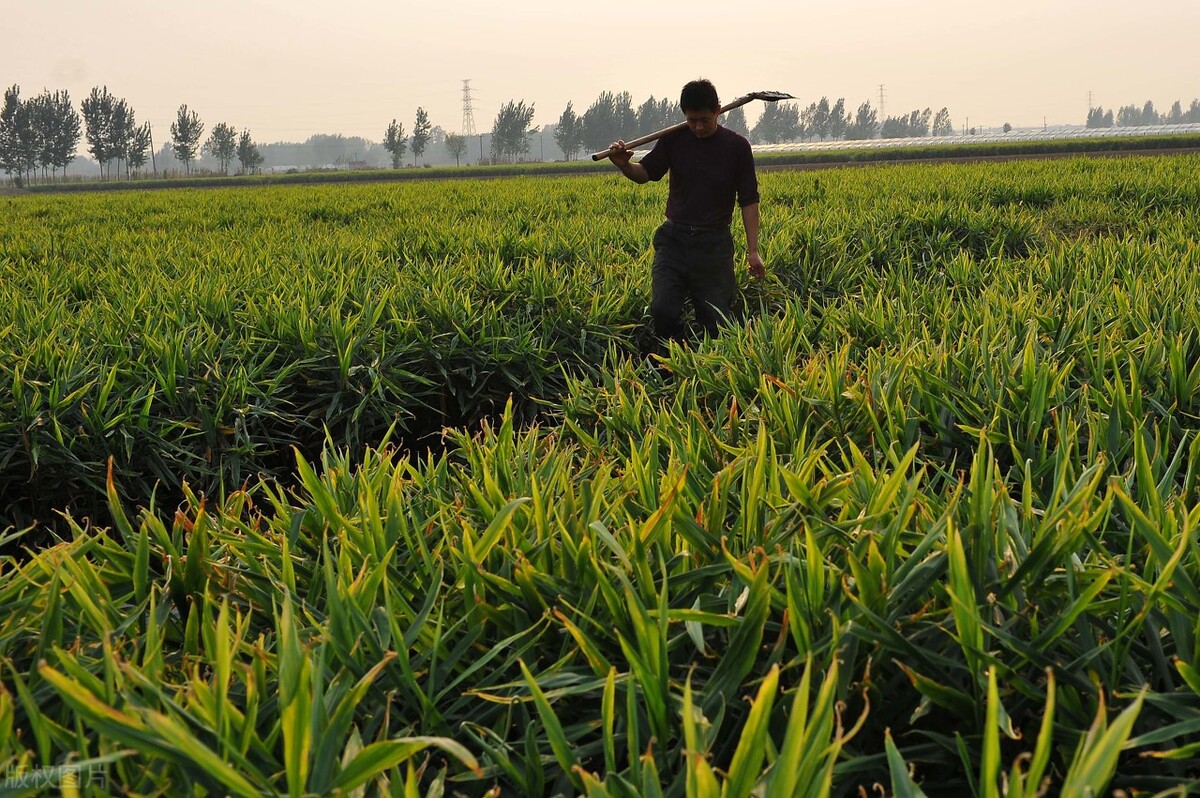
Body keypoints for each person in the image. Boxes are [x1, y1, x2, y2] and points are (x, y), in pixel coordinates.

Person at [607, 78, 765, 344]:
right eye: (691, 120)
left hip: (714, 245)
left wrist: (753, 250)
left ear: (718, 109)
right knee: (663, 310)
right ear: (684, 115)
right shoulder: (674, 139)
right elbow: (645, 173)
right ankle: (673, 366)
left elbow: (749, 200)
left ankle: (712, 371)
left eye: (704, 119)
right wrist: (624, 165)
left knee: (717, 321)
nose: (698, 127)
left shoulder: (736, 147)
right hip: (674, 241)